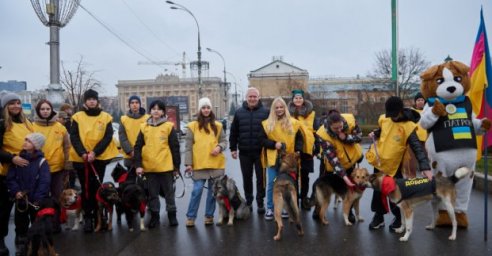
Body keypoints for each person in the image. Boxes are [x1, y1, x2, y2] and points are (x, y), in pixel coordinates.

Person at [366, 96, 432, 232]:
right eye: (390, 115)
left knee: (395, 191)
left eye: (395, 115)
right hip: (379, 162)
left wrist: (425, 167)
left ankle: (398, 217)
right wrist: (375, 133)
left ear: (401, 111)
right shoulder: (384, 118)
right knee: (378, 191)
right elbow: (382, 131)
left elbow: (417, 148)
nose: (393, 118)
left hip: (394, 165)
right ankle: (378, 217)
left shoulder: (408, 126)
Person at [69, 89, 119, 233]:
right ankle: (88, 217)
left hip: (99, 158)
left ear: (97, 101)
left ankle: (100, 217)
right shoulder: (77, 117)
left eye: (94, 99)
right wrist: (83, 153)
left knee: (97, 189)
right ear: (85, 101)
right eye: (89, 99)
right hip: (81, 159)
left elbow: (107, 137)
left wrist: (95, 152)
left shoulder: (106, 117)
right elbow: (74, 137)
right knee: (85, 189)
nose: (91, 101)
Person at [134, 100, 181, 228]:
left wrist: (176, 167)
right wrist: (138, 165)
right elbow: (137, 147)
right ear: (150, 111)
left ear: (162, 112)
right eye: (153, 108)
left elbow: (175, 148)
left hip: (166, 167)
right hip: (149, 168)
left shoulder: (168, 127)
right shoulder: (144, 127)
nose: (156, 111)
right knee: (152, 195)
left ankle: (172, 215)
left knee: (169, 194)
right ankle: (155, 216)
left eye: (159, 109)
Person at [184, 97, 227, 227]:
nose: (206, 110)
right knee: (196, 191)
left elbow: (224, 141)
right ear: (199, 110)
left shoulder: (218, 126)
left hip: (216, 164)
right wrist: (188, 164)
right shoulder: (192, 126)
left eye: (208, 107)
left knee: (213, 193)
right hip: (199, 165)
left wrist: (219, 147)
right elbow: (188, 147)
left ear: (211, 109)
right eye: (203, 107)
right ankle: (191, 217)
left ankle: (209, 216)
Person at [0, 92, 34, 256]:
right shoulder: (1, 123)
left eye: (18, 103)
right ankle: (1, 240)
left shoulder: (26, 122)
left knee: (22, 207)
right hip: (5, 172)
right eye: (12, 103)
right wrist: (12, 158)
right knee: (3, 210)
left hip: (24, 172)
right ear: (6, 106)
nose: (16, 106)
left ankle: (21, 236)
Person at [260, 97, 304, 221]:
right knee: (272, 183)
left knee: (288, 184)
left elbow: (299, 139)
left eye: (281, 107)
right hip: (273, 159)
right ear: (273, 109)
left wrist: (298, 150)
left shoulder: (294, 123)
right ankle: (270, 208)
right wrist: (274, 144)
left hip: (289, 161)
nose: (279, 109)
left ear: (285, 108)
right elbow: (262, 140)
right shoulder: (266, 124)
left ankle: (286, 208)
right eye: (276, 107)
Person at [315, 109, 363, 221]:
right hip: (332, 164)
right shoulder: (322, 134)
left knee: (349, 190)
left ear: (342, 120)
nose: (339, 130)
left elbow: (359, 136)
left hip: (351, 160)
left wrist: (346, 137)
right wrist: (344, 177)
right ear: (329, 125)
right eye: (335, 128)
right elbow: (333, 160)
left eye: (341, 127)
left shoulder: (351, 120)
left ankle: (349, 211)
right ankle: (318, 209)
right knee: (323, 185)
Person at [7, 133, 50, 255]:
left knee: (37, 224)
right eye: (25, 139)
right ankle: (22, 245)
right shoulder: (17, 160)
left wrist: (38, 198)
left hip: (35, 200)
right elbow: (11, 178)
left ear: (36, 146)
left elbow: (44, 181)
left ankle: (37, 246)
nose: (25, 142)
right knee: (20, 224)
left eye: (29, 141)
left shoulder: (42, 162)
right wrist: (16, 191)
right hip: (21, 199)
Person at [229, 87, 269, 214]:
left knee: (261, 179)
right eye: (250, 96)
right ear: (246, 98)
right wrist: (233, 148)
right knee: (247, 178)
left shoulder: (266, 112)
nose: (252, 99)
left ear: (258, 98)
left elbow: (270, 132)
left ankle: (260, 202)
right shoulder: (239, 112)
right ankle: (249, 201)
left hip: (260, 153)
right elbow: (233, 132)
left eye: (254, 96)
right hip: (245, 153)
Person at [33, 99, 70, 232]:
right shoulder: (32, 127)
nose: (45, 111)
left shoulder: (60, 127)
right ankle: (41, 224)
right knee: (40, 197)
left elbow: (67, 147)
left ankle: (56, 223)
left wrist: (67, 165)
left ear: (51, 110)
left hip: (58, 168)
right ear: (38, 111)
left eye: (47, 109)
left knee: (56, 197)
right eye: (42, 109)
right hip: (39, 169)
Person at [287, 89, 317, 209]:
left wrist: (317, 147)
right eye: (296, 98)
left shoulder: (311, 113)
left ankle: (304, 198)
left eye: (300, 98)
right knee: (293, 174)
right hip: (293, 148)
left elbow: (316, 130)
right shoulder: (288, 114)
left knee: (305, 175)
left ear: (303, 99)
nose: (298, 100)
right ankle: (294, 199)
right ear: (292, 100)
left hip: (307, 149)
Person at [119, 95, 149, 172]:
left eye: (137, 102)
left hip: (145, 155)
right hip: (130, 156)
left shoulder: (148, 118)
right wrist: (130, 151)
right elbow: (122, 137)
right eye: (132, 103)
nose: (134, 104)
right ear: (129, 105)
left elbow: (149, 136)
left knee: (145, 182)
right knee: (131, 182)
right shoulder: (124, 119)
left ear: (140, 104)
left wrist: (141, 152)